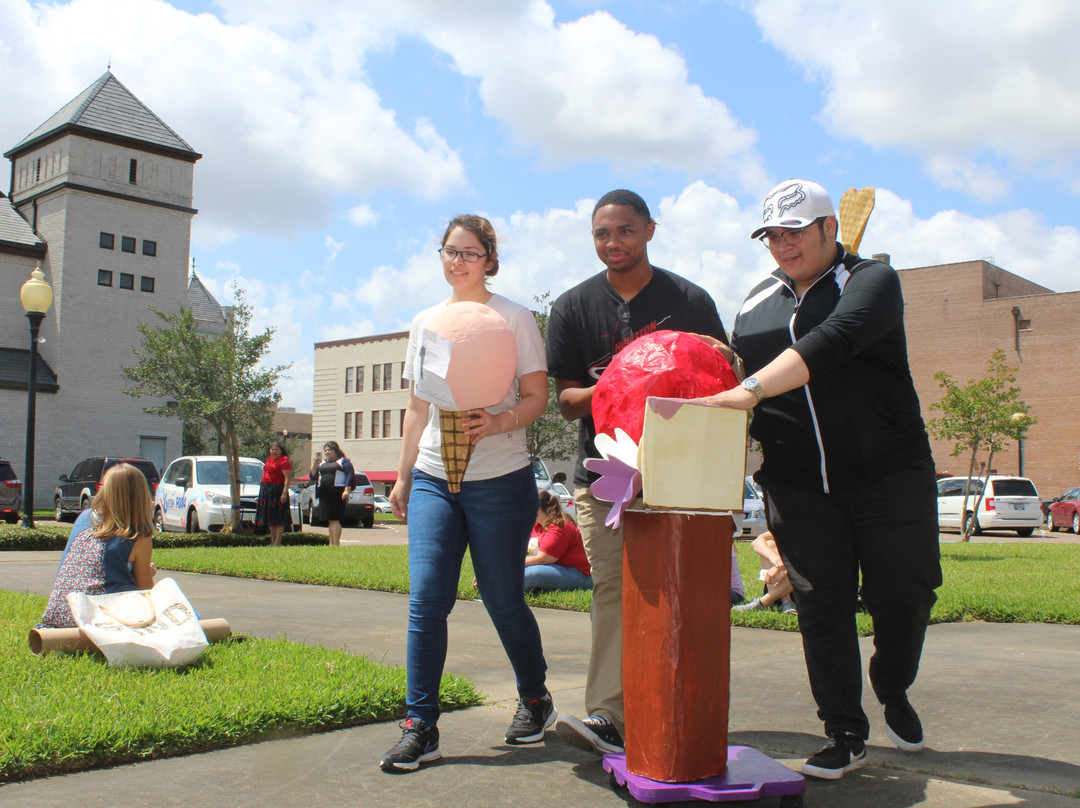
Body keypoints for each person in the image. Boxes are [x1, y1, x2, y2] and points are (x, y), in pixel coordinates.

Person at [699, 179, 942, 780]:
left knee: (903, 595)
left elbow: (829, 344)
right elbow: (730, 364)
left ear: (830, 228)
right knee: (820, 604)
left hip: (889, 473)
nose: (782, 245)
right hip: (798, 481)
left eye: (795, 232)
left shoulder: (872, 282)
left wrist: (748, 388)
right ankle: (843, 731)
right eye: (771, 236)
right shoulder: (757, 301)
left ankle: (892, 683)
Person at [545, 189, 729, 756]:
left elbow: (722, 372)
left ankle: (681, 704)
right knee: (611, 589)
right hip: (606, 473)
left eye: (624, 231)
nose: (612, 243)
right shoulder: (572, 307)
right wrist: (626, 380)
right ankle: (609, 715)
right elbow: (567, 400)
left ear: (650, 230)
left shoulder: (689, 299)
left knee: (684, 589)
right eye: (602, 234)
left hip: (682, 471)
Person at [380, 214, 555, 773]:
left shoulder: (514, 317)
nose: (457, 261)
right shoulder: (425, 322)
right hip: (435, 478)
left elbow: (535, 396)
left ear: (490, 259)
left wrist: (498, 422)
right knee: (427, 600)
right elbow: (418, 406)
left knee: (503, 598)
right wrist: (404, 474)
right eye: (449, 251)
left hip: (500, 481)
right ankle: (420, 725)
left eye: (469, 252)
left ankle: (535, 698)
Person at [39, 463, 156, 628]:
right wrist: (147, 573)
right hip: (101, 621)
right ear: (141, 497)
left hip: (59, 618)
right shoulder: (138, 537)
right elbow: (147, 591)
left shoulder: (84, 518)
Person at [524, 489, 592, 593]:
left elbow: (543, 559)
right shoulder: (538, 526)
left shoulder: (559, 527)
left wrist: (511, 565)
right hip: (559, 568)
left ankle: (502, 590)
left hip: (579, 574)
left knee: (533, 573)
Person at [732, 530, 797, 614]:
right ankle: (786, 601)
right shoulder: (790, 528)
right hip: (776, 583)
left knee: (801, 570)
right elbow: (757, 542)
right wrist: (775, 559)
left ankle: (762, 603)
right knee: (770, 544)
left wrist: (781, 567)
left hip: (800, 585)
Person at [310, 442, 354, 546]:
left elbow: (350, 476)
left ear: (336, 450)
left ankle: (336, 544)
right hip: (324, 493)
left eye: (329, 450)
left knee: (335, 519)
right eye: (325, 450)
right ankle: (331, 543)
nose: (327, 452)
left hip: (337, 492)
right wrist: (314, 465)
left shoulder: (343, 461)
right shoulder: (322, 463)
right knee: (330, 520)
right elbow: (312, 476)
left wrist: (346, 490)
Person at [256, 440, 293, 547]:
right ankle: (272, 541)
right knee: (270, 518)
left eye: (276, 449)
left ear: (281, 450)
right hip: (266, 490)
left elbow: (287, 478)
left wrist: (284, 493)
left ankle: (278, 541)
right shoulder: (269, 460)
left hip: (278, 491)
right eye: (272, 449)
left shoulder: (284, 461)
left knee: (279, 517)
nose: (274, 451)